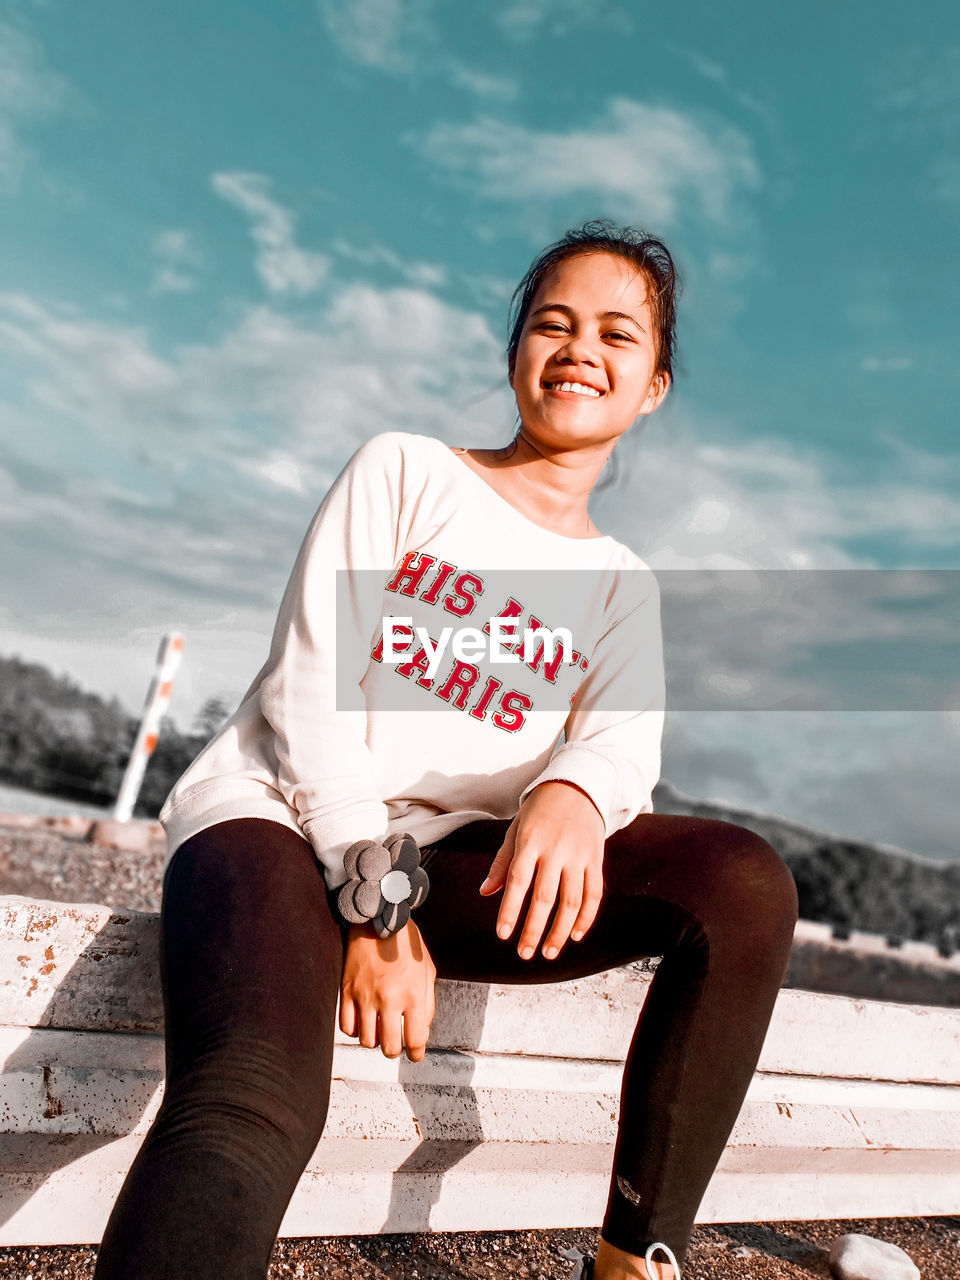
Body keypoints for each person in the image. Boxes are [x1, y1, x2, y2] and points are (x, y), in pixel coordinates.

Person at [93, 221, 798, 1280]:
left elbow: (617, 744)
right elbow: (309, 695)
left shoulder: (620, 584)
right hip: (280, 822)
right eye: (552, 322)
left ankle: (632, 1256)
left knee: (742, 881)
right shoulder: (406, 472)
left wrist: (572, 791)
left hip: (453, 862)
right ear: (516, 346)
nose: (578, 349)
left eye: (616, 333)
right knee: (254, 1099)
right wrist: (374, 904)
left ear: (652, 385)